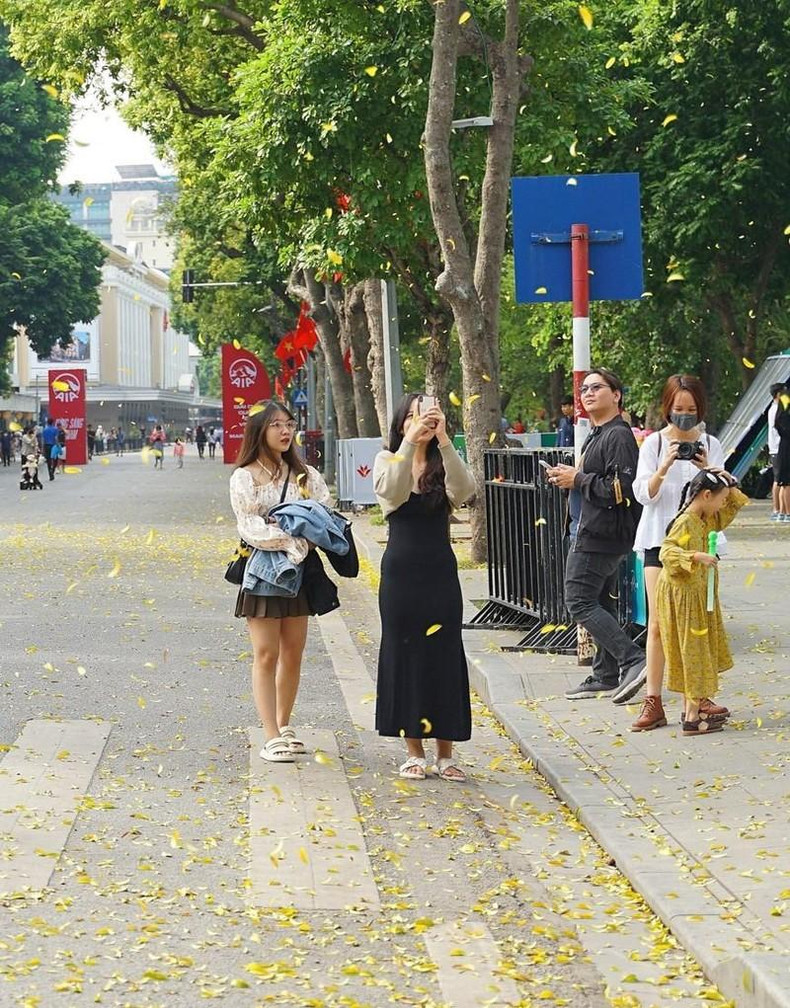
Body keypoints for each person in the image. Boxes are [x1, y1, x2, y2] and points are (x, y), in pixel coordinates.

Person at [373, 393, 476, 782]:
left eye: (431, 416)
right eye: (417, 417)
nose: (426, 423)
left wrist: (445, 441)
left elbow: (464, 491)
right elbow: (392, 492)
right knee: (405, 653)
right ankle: (413, 749)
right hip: (401, 572)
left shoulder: (441, 461)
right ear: (403, 422)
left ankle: (446, 753)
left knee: (444, 652)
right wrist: (410, 443)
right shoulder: (390, 459)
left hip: (439, 571)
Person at [229, 400, 332, 763]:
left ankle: (284, 724)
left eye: (289, 424)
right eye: (277, 425)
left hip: (301, 570)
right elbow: (249, 526)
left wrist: (300, 532)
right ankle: (269, 733)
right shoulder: (244, 476)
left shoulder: (305, 474)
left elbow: (323, 510)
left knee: (293, 652)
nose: (286, 431)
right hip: (265, 572)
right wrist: (290, 537)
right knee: (266, 653)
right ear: (260, 430)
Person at [629, 374, 728, 731]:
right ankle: (652, 700)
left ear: (700, 410)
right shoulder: (654, 444)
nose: (684, 417)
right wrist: (666, 465)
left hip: (699, 548)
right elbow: (644, 494)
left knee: (695, 625)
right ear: (667, 409)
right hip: (659, 542)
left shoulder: (710, 443)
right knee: (658, 624)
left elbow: (723, 498)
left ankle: (696, 697)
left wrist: (708, 470)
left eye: (691, 410)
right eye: (678, 410)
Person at [545, 368, 646, 702]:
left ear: (616, 395)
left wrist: (579, 480)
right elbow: (593, 481)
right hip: (587, 529)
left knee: (578, 601)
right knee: (599, 600)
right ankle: (604, 675)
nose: (587, 394)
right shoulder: (597, 433)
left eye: (596, 388)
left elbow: (623, 489)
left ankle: (632, 658)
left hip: (600, 535)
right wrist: (569, 479)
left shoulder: (618, 435)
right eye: (584, 389)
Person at [657, 469, 747, 734]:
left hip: (697, 593)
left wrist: (728, 482)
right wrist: (696, 556)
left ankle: (690, 711)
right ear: (706, 495)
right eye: (719, 499)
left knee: (694, 650)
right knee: (692, 650)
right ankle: (693, 717)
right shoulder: (686, 521)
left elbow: (734, 504)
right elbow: (667, 552)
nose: (722, 504)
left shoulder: (706, 518)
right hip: (684, 595)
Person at [768, 383, 788, 521]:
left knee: (780, 480)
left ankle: (781, 509)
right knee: (779, 480)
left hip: (777, 447)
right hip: (777, 447)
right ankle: (778, 509)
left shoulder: (775, 408)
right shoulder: (776, 409)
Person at [774, 389, 790, 522]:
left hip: (784, 445)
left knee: (785, 482)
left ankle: (783, 512)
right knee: (787, 482)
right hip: (787, 447)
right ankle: (787, 512)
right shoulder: (786, 397)